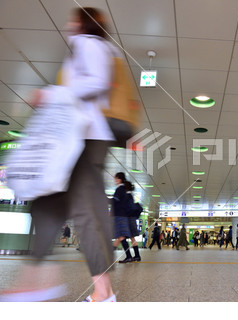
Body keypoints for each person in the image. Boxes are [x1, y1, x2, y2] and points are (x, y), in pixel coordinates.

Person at [0, 7, 116, 302]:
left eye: (73, 20)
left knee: (82, 212)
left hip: (84, 138)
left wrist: (50, 94)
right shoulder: (90, 47)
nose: (68, 24)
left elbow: (97, 82)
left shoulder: (88, 44)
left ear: (83, 23)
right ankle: (39, 280)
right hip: (84, 137)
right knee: (48, 206)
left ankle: (101, 292)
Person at [112, 173, 140, 263]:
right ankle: (136, 256)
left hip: (127, 217)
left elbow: (117, 203)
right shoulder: (129, 195)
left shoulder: (124, 193)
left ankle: (129, 256)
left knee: (121, 236)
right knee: (128, 238)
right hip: (131, 217)